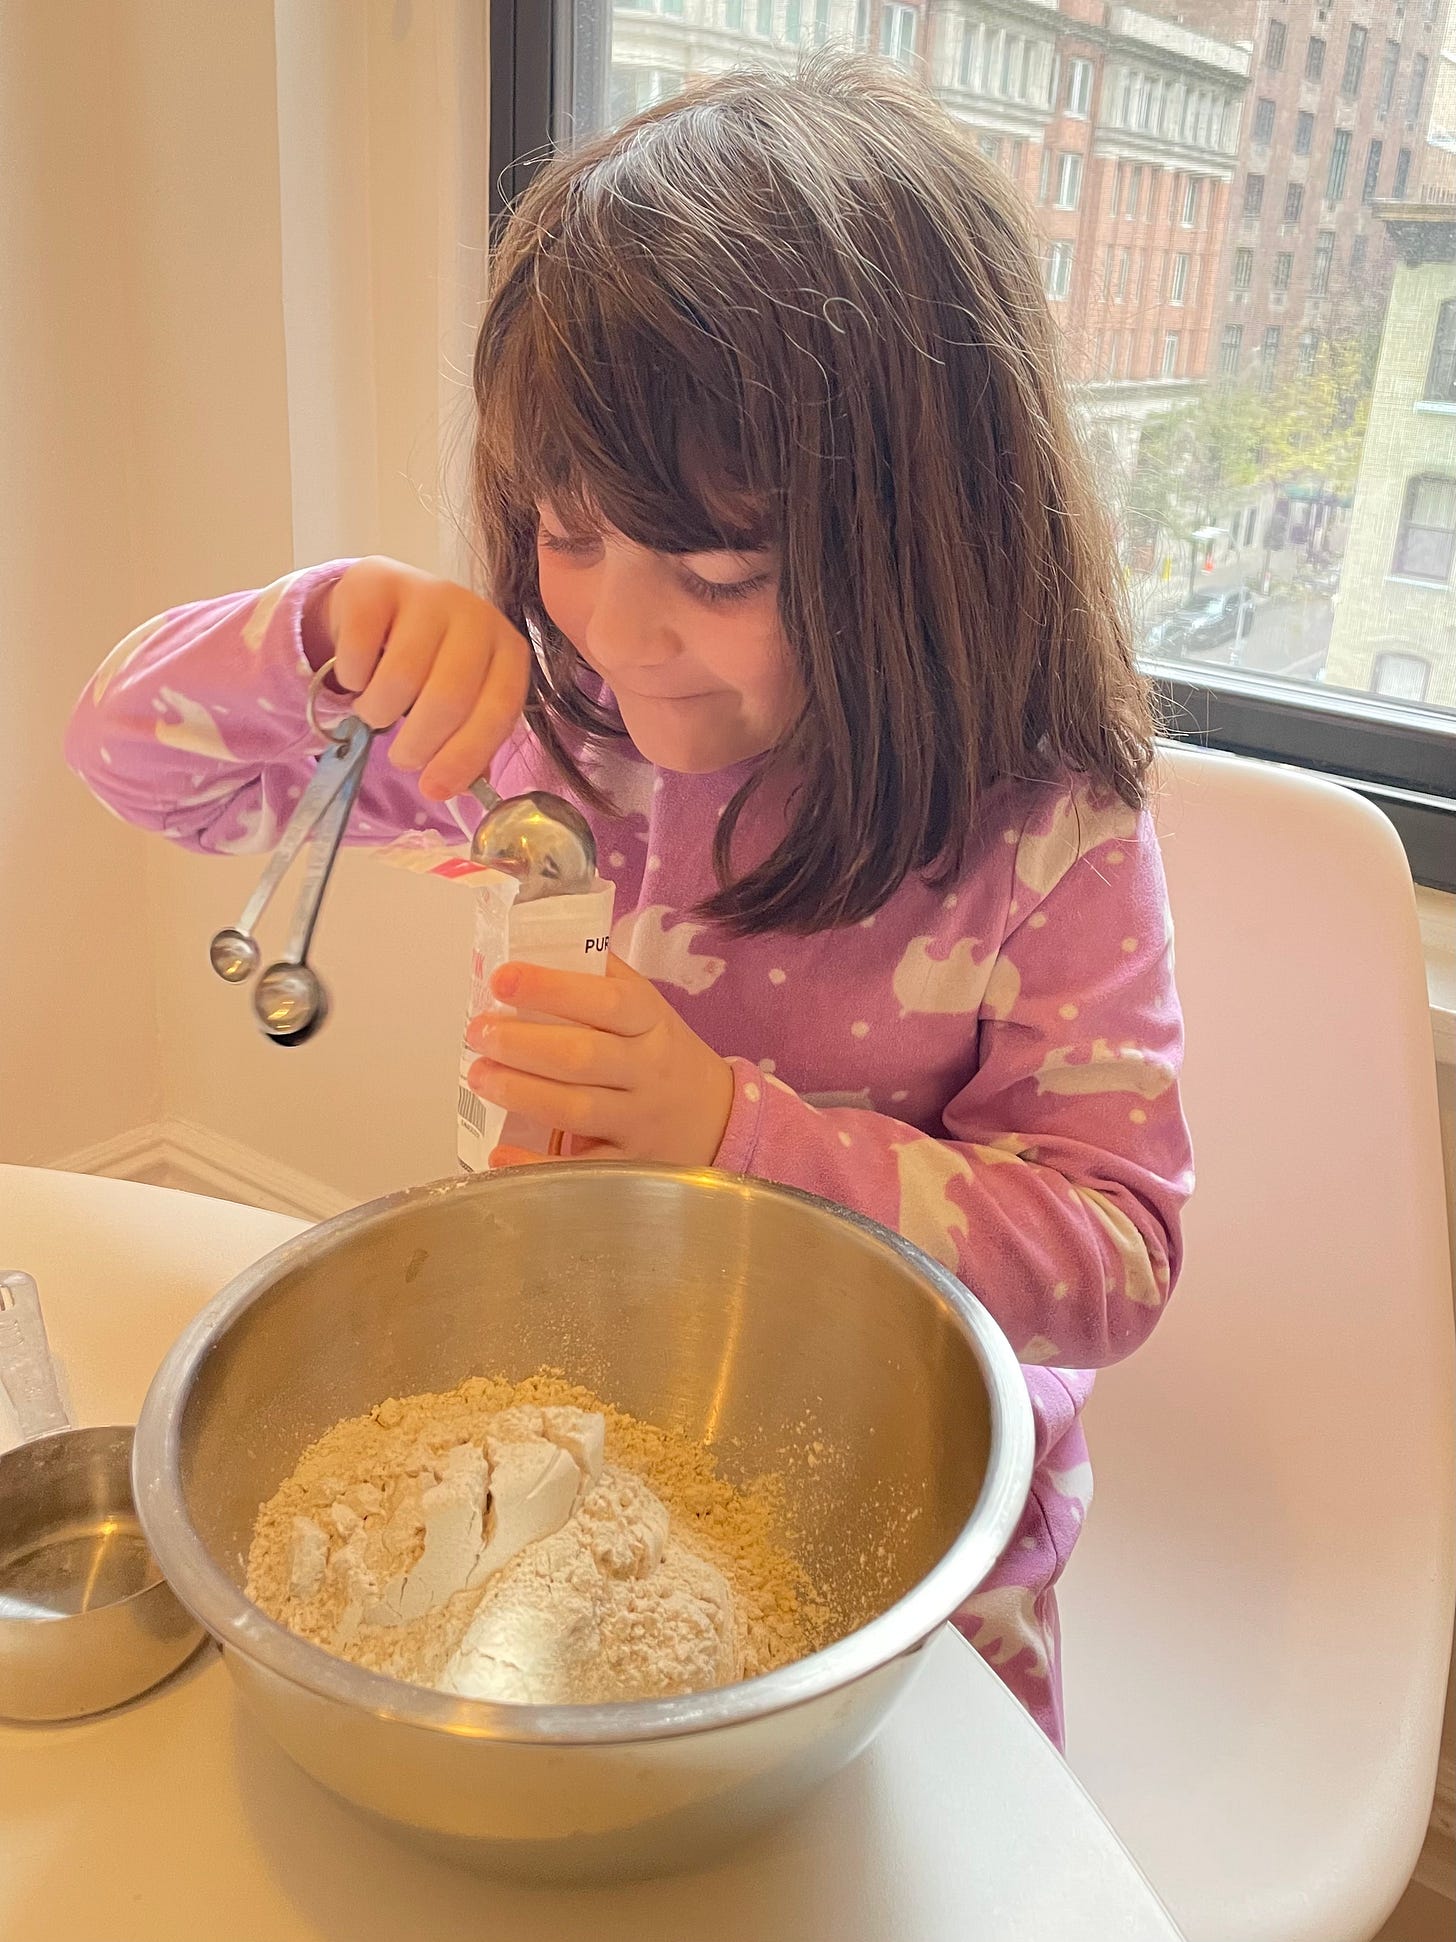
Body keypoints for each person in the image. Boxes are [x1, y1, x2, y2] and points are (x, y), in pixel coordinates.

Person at [66, 57, 1193, 1747]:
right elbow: (135, 768)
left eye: (721, 573)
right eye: (565, 533)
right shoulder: (546, 732)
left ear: (928, 551)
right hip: (561, 1450)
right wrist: (319, 630)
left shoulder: (1046, 832)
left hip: (908, 1563)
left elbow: (1115, 1256)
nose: (619, 628)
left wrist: (728, 1129)